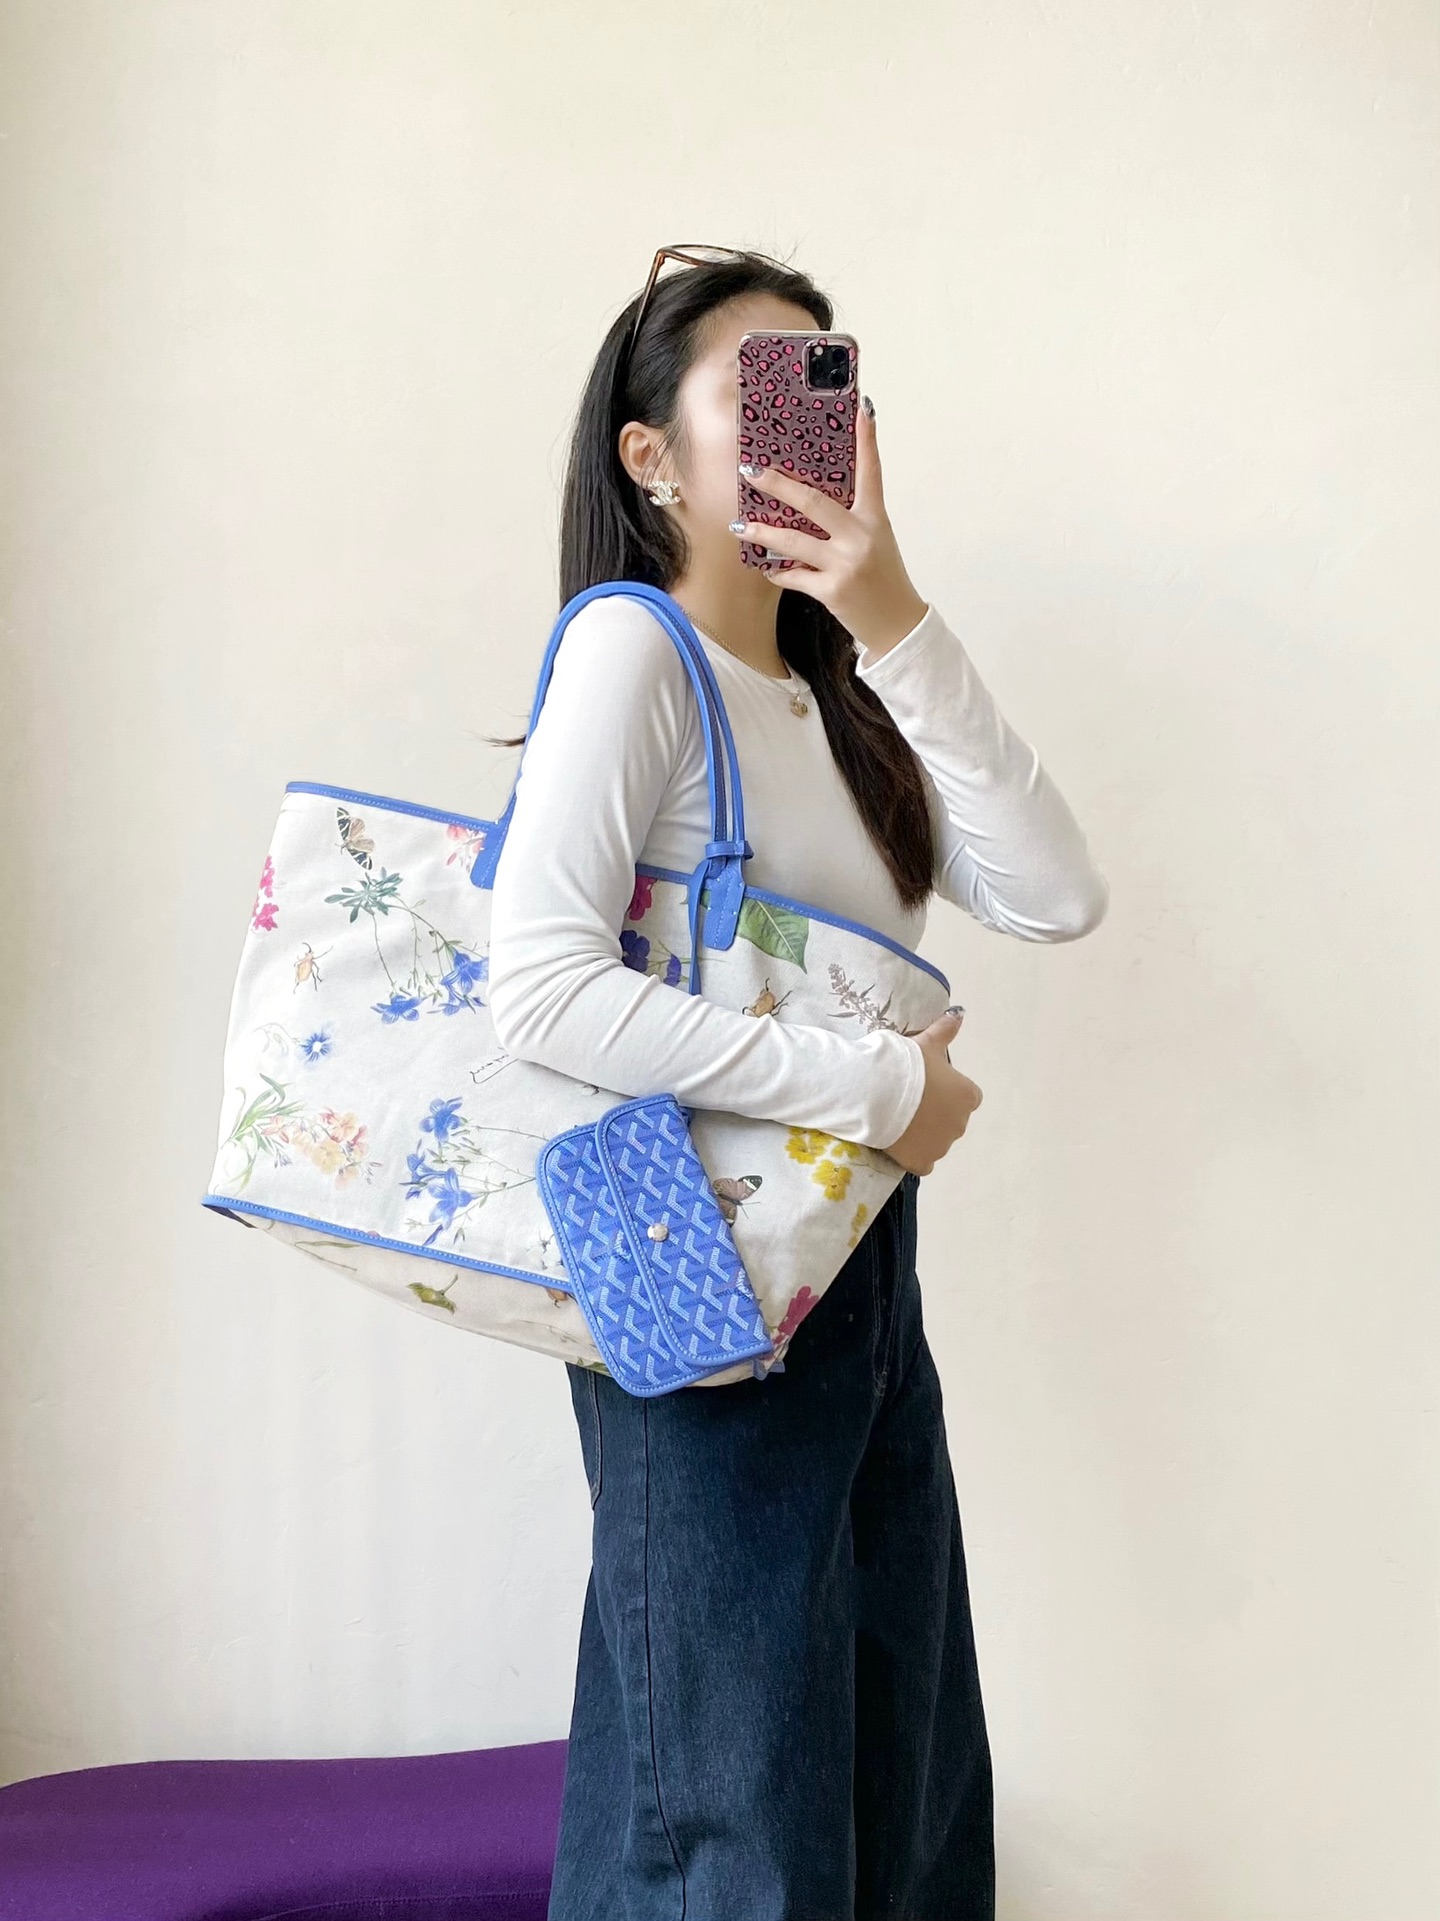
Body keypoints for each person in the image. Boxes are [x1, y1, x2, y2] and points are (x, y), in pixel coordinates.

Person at [484, 247, 1109, 1921]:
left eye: (826, 392)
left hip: (859, 1275)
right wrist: (875, 1087)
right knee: (729, 1825)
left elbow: (1057, 892)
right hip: (686, 1252)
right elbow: (540, 983)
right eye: (753, 392)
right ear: (648, 453)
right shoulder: (636, 651)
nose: (799, 427)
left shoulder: (838, 693)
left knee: (900, 1798)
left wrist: (887, 610)